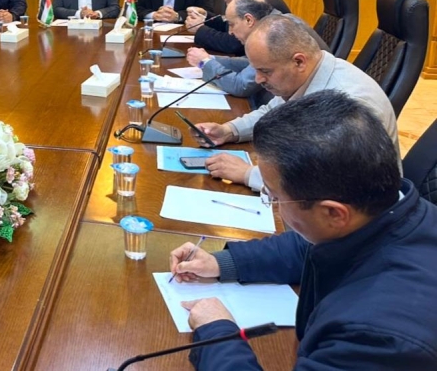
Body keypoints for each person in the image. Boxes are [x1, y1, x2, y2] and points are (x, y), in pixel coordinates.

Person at [170, 91, 437, 371]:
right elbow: (308, 247)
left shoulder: (378, 337)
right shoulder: (387, 212)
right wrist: (220, 263)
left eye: (274, 197)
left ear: (333, 213)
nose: (274, 205)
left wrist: (216, 332)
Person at [194, 15, 398, 190]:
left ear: (299, 61)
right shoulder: (309, 73)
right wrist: (229, 130)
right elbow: (273, 111)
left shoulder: (350, 107)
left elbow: (329, 184)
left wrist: (248, 174)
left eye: (265, 71)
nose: (258, 79)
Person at [187, 0, 328, 107]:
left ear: (249, 20)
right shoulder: (274, 22)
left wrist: (205, 63)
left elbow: (241, 86)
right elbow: (249, 64)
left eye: (232, 24)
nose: (230, 32)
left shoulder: (276, 32)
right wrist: (211, 59)